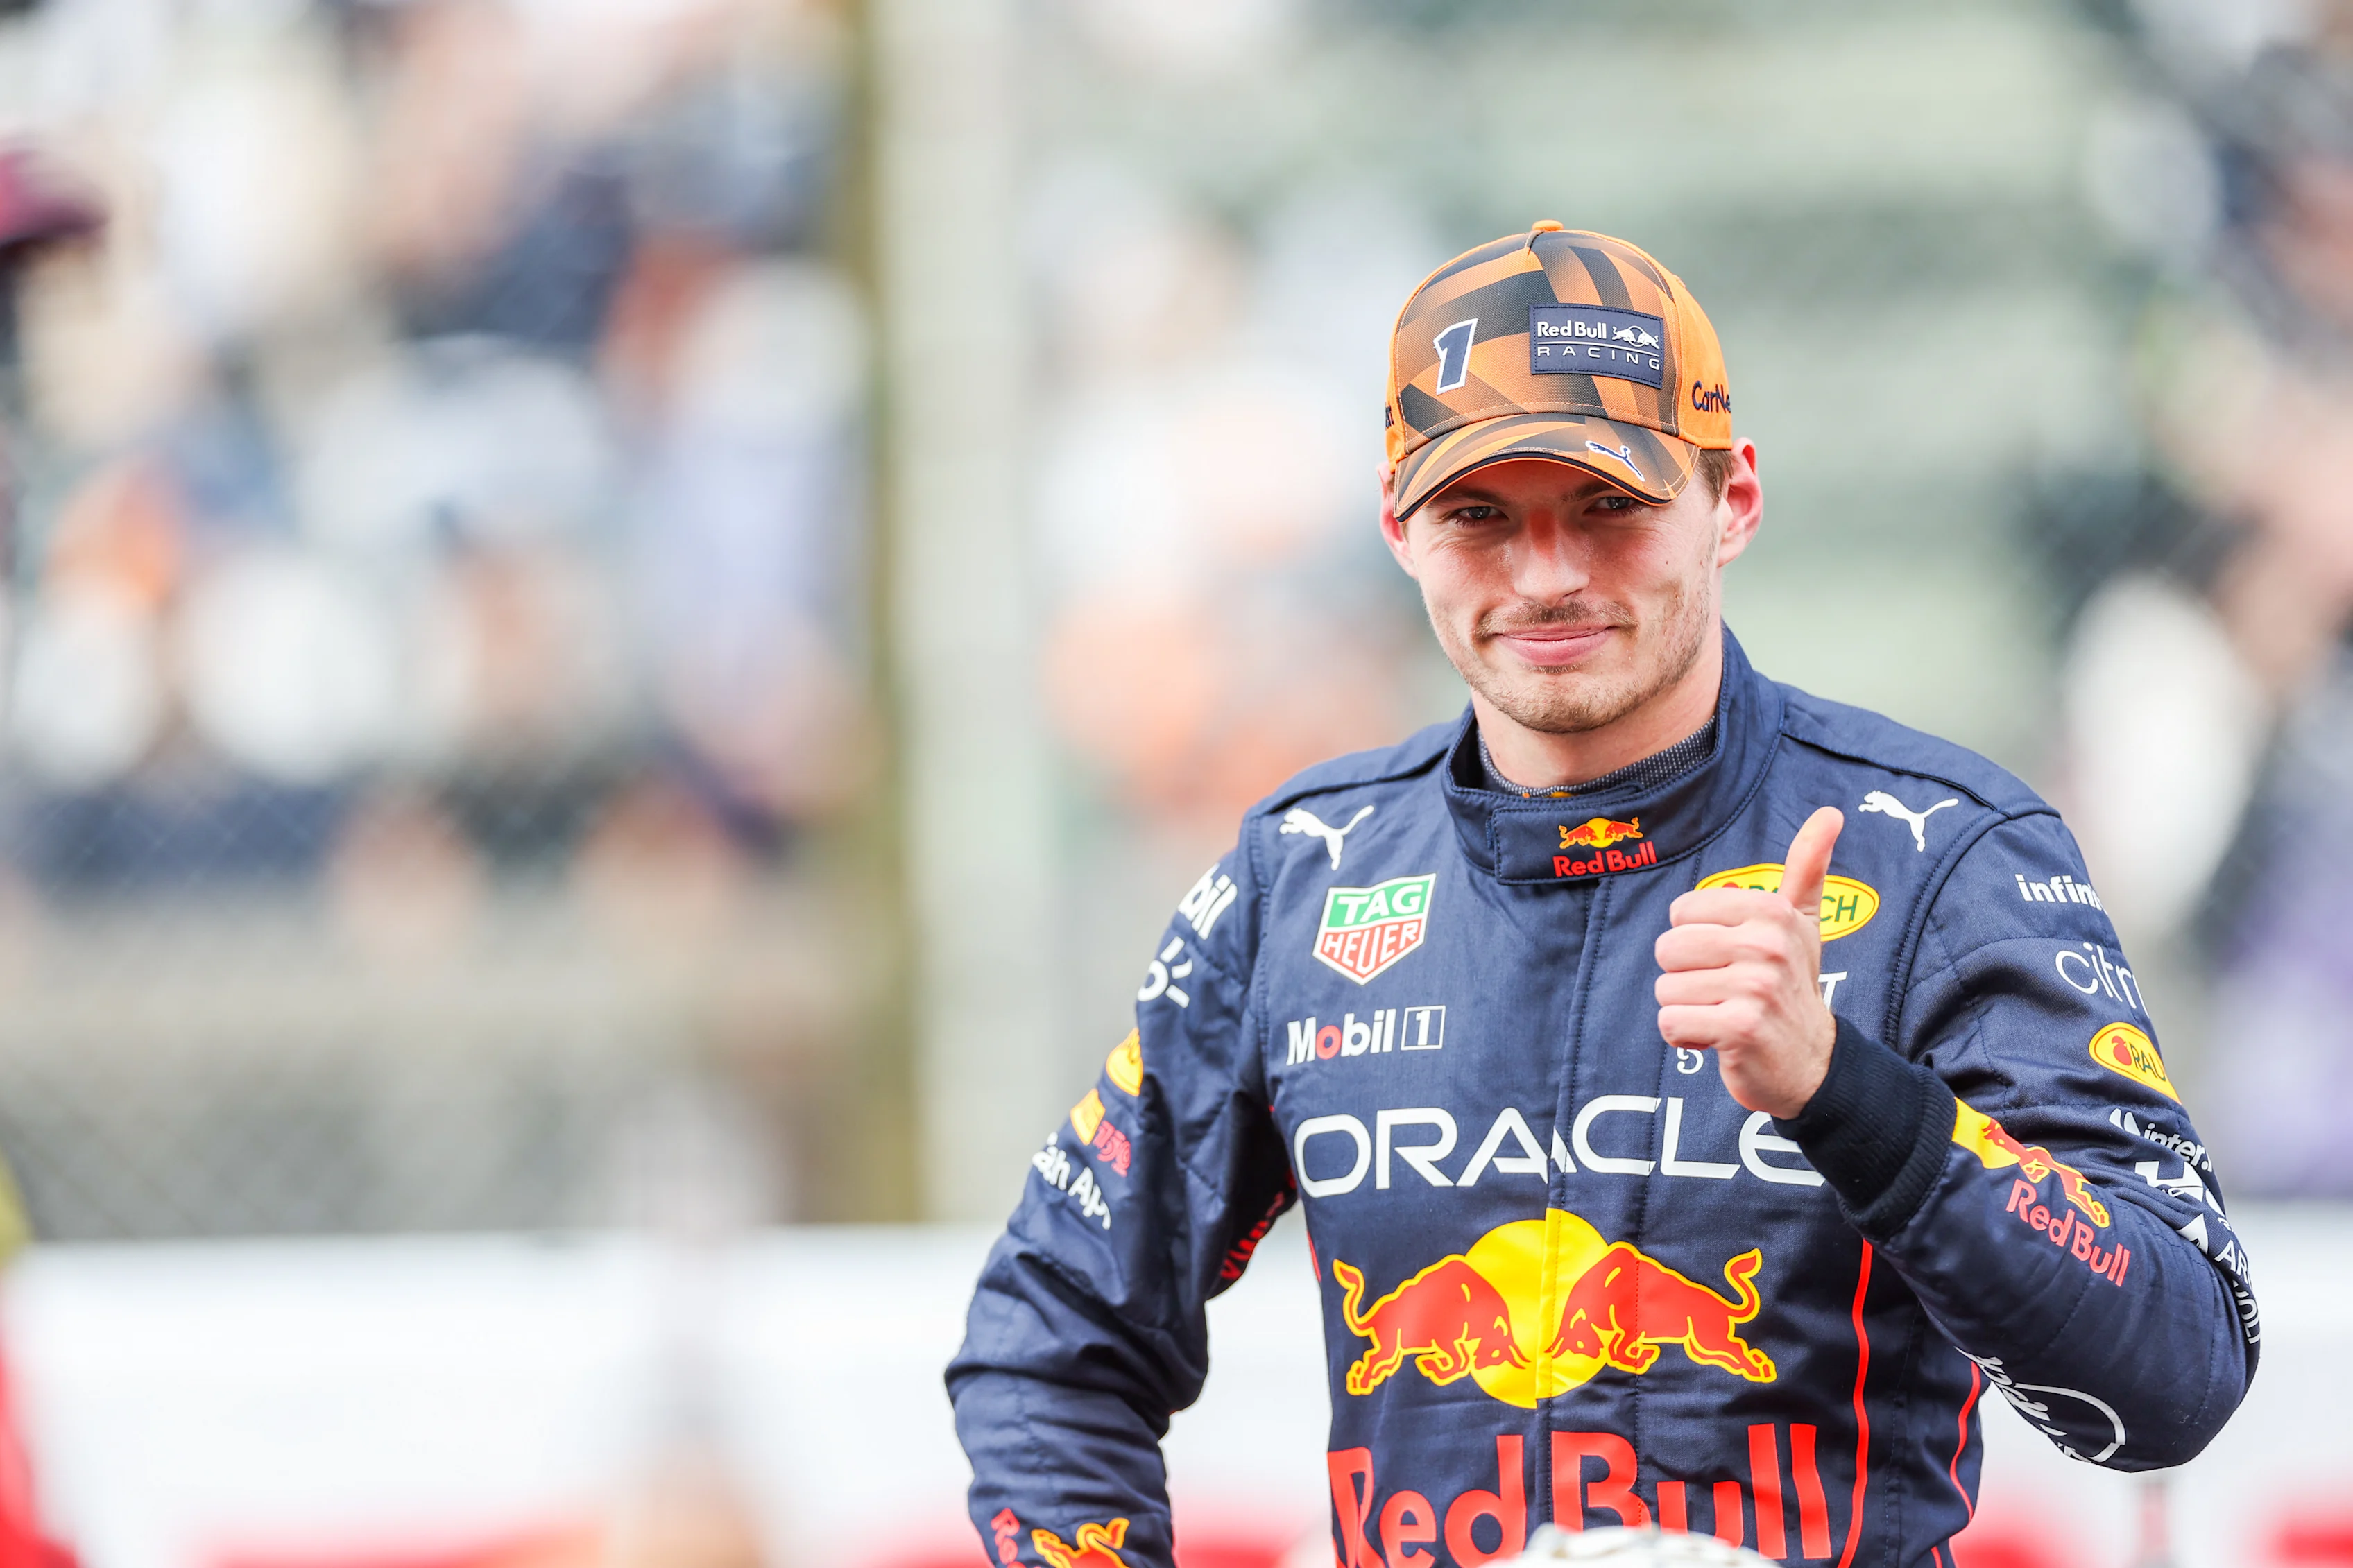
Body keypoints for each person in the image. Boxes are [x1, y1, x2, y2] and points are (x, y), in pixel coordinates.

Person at [946, 225, 2255, 1568]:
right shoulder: (1304, 875)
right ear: (1399, 527)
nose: (1547, 574)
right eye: (1480, 515)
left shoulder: (1944, 853)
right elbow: (1047, 1347)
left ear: (1734, 499)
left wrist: (1845, 1093)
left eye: (1610, 505)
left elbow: (2176, 1376)